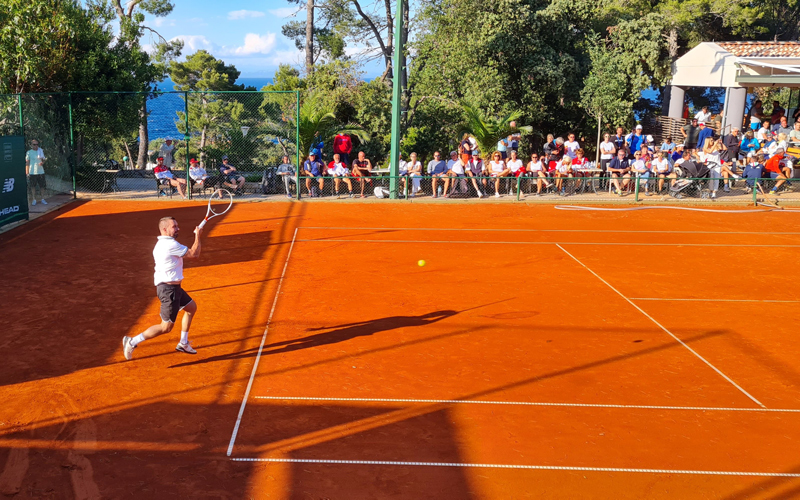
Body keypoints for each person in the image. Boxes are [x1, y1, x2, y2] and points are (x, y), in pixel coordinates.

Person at [122, 216, 203, 360]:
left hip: (174, 288)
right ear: (165, 229)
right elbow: (194, 254)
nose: (178, 228)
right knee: (165, 327)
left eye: (177, 225)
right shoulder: (169, 245)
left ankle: (183, 343)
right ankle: (132, 341)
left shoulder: (163, 243)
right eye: (174, 226)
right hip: (168, 290)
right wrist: (198, 236)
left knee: (191, 308)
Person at [25, 138, 47, 205]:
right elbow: (27, 163)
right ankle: (34, 199)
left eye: (37, 144)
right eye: (34, 144)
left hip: (41, 172)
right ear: (31, 145)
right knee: (33, 186)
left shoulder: (40, 151)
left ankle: (42, 199)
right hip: (32, 172)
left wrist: (42, 163)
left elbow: (44, 159)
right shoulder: (29, 152)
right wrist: (27, 172)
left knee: (42, 186)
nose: (36, 146)